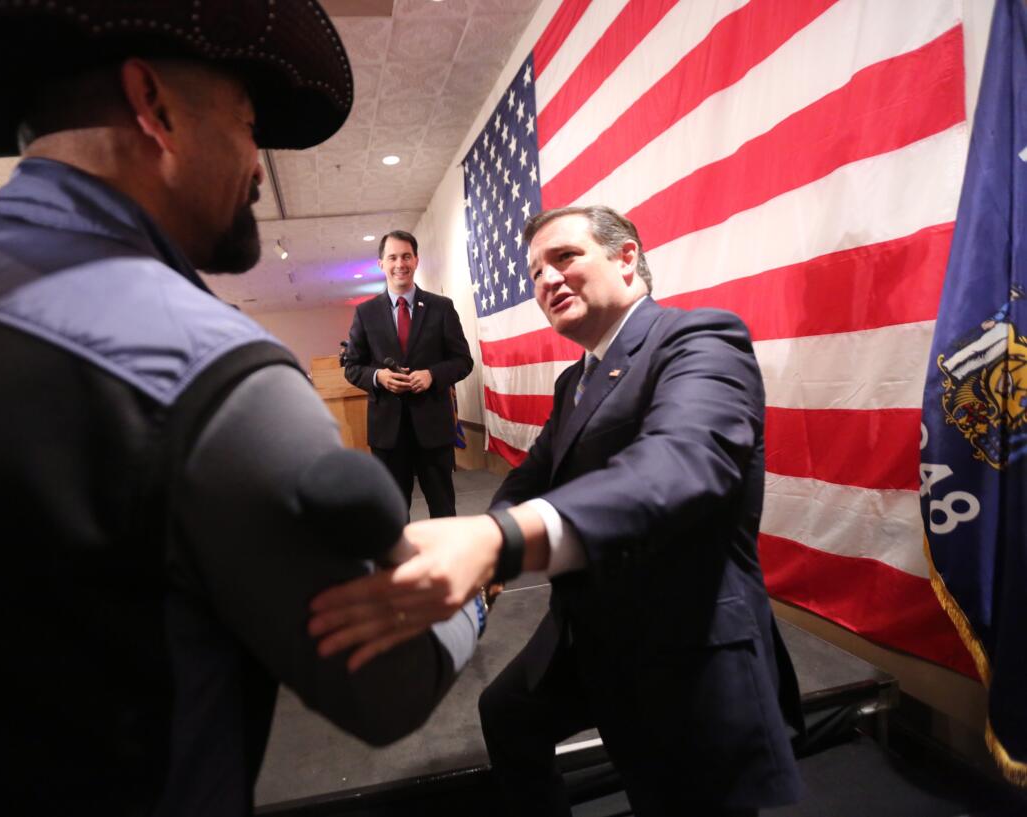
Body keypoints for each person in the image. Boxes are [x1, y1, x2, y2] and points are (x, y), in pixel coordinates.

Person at [0, 2, 481, 815]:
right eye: (247, 123)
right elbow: (385, 686)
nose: (257, 165)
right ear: (154, 108)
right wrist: (475, 577)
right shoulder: (212, 368)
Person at [310, 206, 804, 816]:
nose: (546, 279)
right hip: (587, 625)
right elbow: (530, 477)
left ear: (627, 259)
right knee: (508, 716)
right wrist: (483, 560)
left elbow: (681, 467)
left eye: (565, 257)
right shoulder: (576, 381)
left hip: (680, 639)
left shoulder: (699, 338)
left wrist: (502, 542)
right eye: (535, 270)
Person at [344, 231, 473, 518]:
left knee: (443, 508)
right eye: (392, 257)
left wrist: (432, 375)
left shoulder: (441, 307)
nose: (399, 263)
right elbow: (352, 367)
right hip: (387, 432)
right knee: (391, 512)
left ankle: (446, 563)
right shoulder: (365, 313)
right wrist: (379, 377)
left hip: (433, 427)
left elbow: (463, 361)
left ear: (416, 260)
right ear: (381, 264)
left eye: (406, 256)